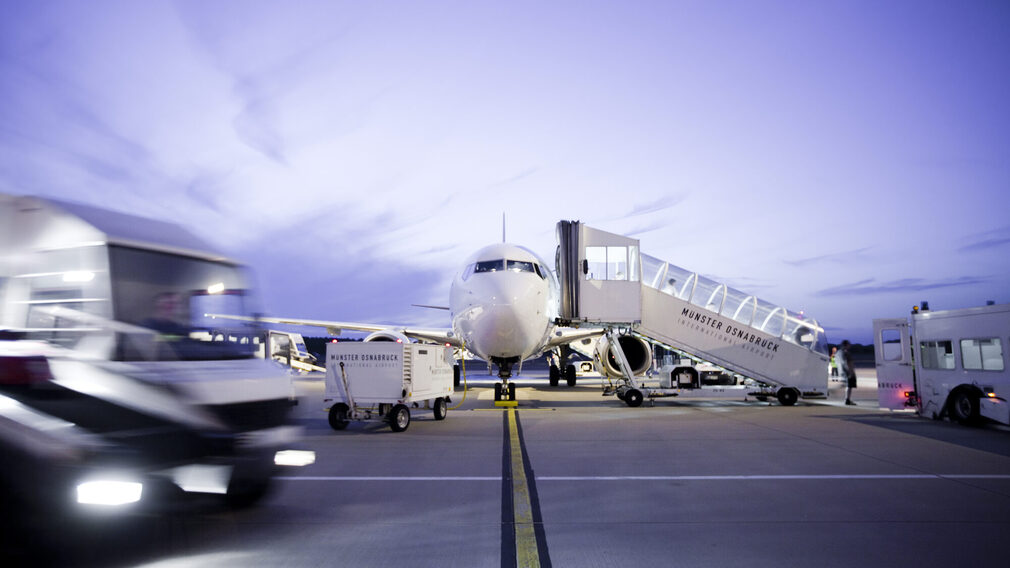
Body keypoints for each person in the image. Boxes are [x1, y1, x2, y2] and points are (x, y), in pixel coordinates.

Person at [838, 340, 857, 405]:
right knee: (849, 386)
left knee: (848, 385)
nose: (850, 345)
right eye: (849, 344)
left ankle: (847, 399)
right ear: (845, 345)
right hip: (848, 371)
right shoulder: (846, 353)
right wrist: (850, 372)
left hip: (844, 371)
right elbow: (846, 363)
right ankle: (847, 399)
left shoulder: (839, 352)